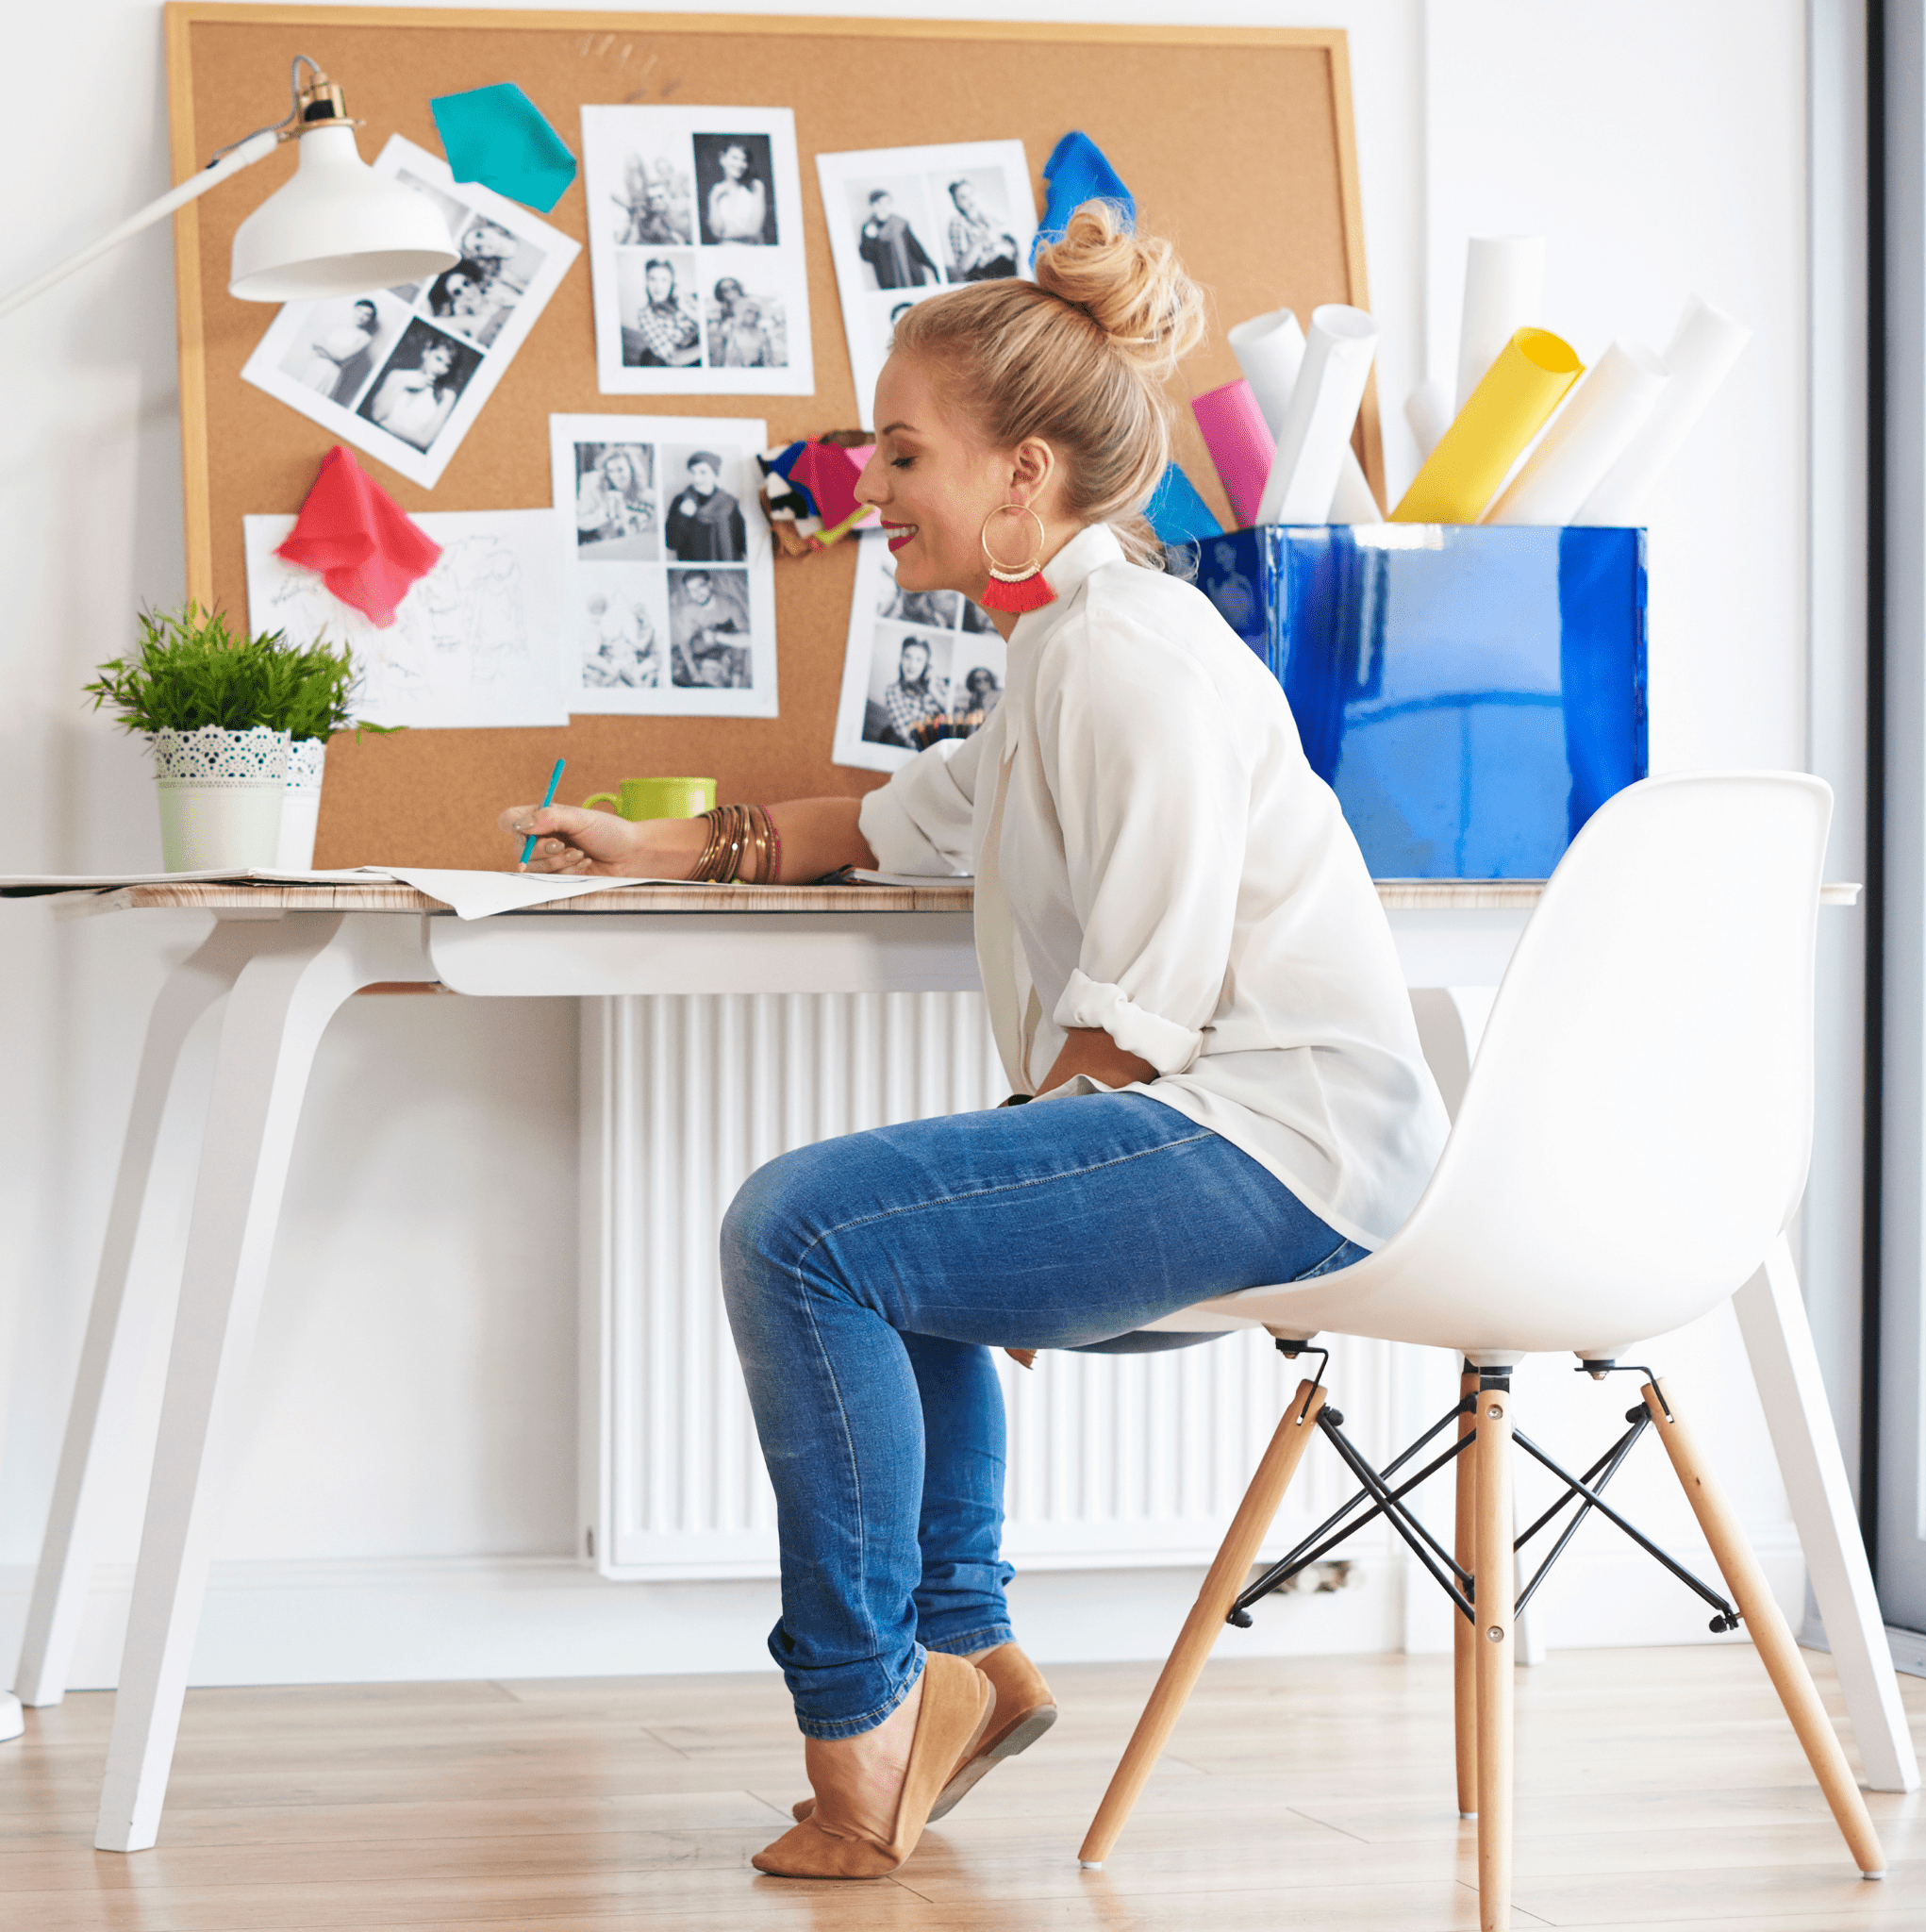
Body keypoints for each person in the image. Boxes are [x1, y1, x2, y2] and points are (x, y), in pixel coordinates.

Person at [499, 202, 1448, 1882]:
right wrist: (661, 844)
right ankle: (967, 1657)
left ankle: (863, 1727)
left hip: (1276, 1141)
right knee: (876, 1229)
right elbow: (872, 825)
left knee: (804, 1227)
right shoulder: (1058, 663)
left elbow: (1135, 1024)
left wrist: (1021, 1227)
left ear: (1023, 476)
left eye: (901, 449)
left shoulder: (1130, 664)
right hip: (1249, 1134)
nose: (868, 482)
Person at [364, 335, 463, 450]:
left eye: (447, 365)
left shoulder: (446, 395)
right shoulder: (396, 375)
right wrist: (402, 384)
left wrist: (384, 424)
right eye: (438, 359)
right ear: (426, 351)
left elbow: (424, 440)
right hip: (374, 443)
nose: (440, 369)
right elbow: (376, 415)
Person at [664, 453, 747, 561]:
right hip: (693, 574)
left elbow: (744, 543)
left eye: (703, 472)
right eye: (693, 472)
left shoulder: (729, 503)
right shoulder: (681, 500)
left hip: (726, 573)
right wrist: (682, 517)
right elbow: (671, 544)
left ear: (715, 473)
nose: (696, 478)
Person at [857, 190, 938, 290]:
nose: (883, 207)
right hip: (888, 284)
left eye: (887, 203)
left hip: (914, 277)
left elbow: (917, 249)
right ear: (872, 205)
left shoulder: (901, 224)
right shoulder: (869, 228)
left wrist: (933, 268)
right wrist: (869, 238)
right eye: (879, 203)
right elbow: (867, 257)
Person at [575, 447, 656, 548]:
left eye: (620, 470)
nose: (616, 476)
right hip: (608, 548)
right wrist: (605, 513)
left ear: (631, 469)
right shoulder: (598, 491)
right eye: (611, 471)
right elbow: (580, 522)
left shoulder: (648, 495)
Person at [302, 299, 377, 405]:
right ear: (354, 310)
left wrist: (325, 347)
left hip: (330, 372)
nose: (361, 316)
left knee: (313, 403)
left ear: (370, 319)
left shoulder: (365, 338)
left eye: (367, 315)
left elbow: (342, 357)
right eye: (359, 310)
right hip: (315, 366)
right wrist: (335, 353)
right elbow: (315, 344)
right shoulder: (339, 327)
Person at [943, 179, 1017, 282]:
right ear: (956, 202)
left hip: (1003, 268)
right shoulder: (957, 223)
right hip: (981, 275)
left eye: (971, 193)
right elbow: (963, 267)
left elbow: (1011, 249)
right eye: (963, 197)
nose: (970, 199)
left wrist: (997, 248)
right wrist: (982, 239)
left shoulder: (989, 218)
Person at [632, 258, 702, 367]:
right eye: (652, 279)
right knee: (649, 359)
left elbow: (709, 322)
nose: (658, 286)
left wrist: (685, 308)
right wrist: (706, 346)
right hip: (686, 358)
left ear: (672, 284)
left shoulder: (685, 298)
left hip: (699, 344)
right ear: (646, 281)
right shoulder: (645, 314)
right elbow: (674, 357)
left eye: (664, 280)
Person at [875, 635, 942, 748]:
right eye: (908, 657)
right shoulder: (893, 691)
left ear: (926, 666)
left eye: (919, 660)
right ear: (901, 659)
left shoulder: (937, 686)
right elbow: (910, 736)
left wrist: (933, 691)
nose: (912, 665)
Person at [706, 140, 770, 244]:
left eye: (743, 160)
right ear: (722, 159)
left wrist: (724, 235)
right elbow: (716, 232)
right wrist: (713, 199)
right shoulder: (717, 190)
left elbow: (754, 230)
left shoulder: (755, 186)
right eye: (734, 158)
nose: (739, 164)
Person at [707, 277, 777, 368]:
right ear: (720, 293)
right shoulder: (721, 311)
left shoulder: (751, 302)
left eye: (733, 287)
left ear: (738, 288)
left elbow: (765, 318)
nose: (730, 291)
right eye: (725, 290)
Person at [950, 661, 1002, 725]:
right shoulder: (970, 701)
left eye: (986, 679)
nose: (983, 682)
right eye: (978, 680)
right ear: (972, 684)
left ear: (991, 680)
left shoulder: (1000, 696)